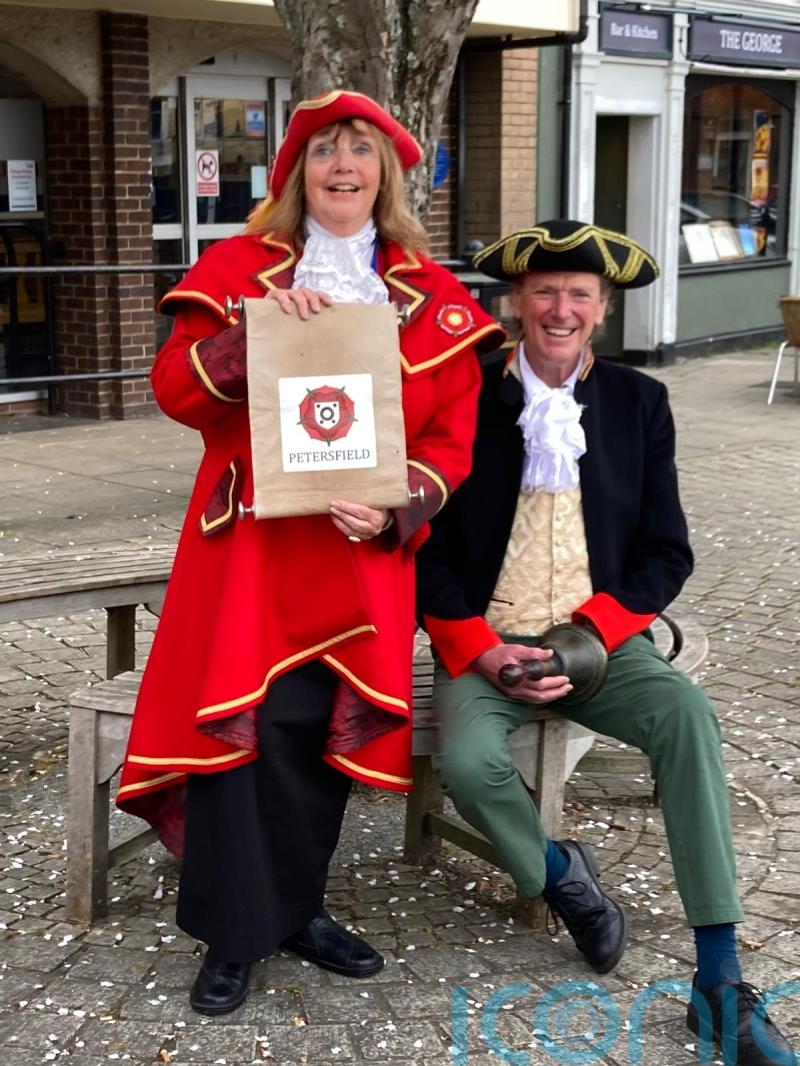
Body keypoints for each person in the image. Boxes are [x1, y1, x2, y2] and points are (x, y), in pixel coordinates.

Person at [116, 90, 505, 1016]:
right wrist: (248, 335)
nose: (342, 166)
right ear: (297, 172)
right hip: (249, 549)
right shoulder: (240, 269)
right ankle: (231, 934)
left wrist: (399, 505)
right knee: (237, 736)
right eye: (325, 149)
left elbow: (452, 438)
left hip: (358, 553)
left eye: (361, 152)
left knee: (309, 739)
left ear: (386, 174)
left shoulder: (431, 295)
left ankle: (296, 913)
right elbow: (174, 388)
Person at [415, 220, 796, 1066]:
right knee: (470, 761)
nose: (560, 309)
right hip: (489, 638)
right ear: (516, 303)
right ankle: (560, 875)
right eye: (545, 292)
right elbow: (427, 552)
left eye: (579, 296)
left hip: (599, 640)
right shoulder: (461, 395)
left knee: (687, 719)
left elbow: (668, 550)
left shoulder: (639, 401)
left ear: (603, 309)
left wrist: (591, 639)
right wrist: (484, 651)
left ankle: (719, 980)